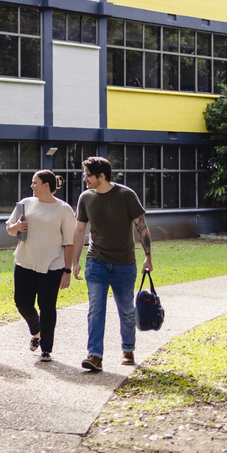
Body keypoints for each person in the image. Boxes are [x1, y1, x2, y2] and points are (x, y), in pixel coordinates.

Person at [71, 156, 153, 373]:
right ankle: (95, 356)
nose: (85, 179)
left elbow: (141, 226)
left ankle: (128, 349)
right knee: (96, 307)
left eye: (88, 175)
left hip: (124, 262)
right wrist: (75, 261)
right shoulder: (85, 198)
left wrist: (148, 257)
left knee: (126, 309)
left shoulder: (126, 195)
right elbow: (80, 230)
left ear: (101, 176)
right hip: (96, 259)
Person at [6, 170, 75, 363]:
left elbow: (69, 242)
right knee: (22, 302)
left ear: (46, 185)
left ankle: (46, 348)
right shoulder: (26, 203)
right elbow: (9, 227)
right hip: (24, 262)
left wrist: (67, 271)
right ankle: (36, 331)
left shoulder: (64, 210)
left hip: (52, 266)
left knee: (47, 307)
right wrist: (15, 228)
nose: (31, 186)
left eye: (35, 183)